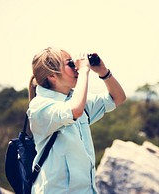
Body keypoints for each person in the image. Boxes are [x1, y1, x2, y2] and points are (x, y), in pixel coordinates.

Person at [27, 47, 126, 194]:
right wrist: (84, 71)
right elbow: (75, 110)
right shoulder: (40, 106)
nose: (76, 68)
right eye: (70, 64)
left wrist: (103, 73)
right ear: (52, 75)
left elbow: (118, 98)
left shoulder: (76, 99)